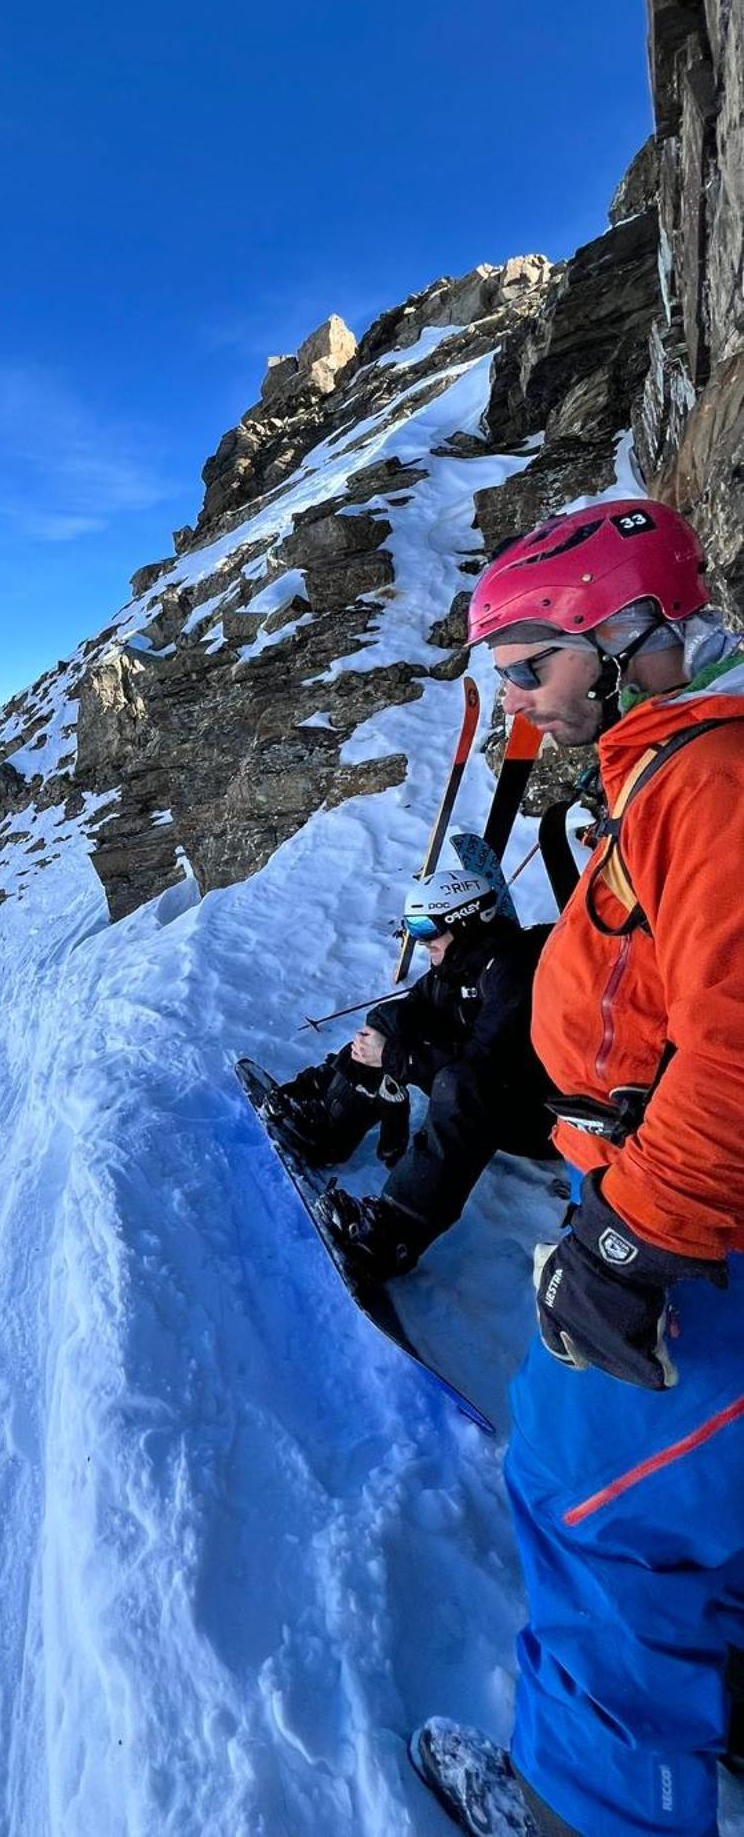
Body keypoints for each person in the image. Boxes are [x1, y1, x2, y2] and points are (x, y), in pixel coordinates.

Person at [429, 496, 744, 1837]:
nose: (517, 699)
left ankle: (590, 1811)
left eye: (528, 663)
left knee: (596, 1509)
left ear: (626, 634)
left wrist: (630, 1239)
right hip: (677, 1217)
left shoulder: (711, 782)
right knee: (691, 1515)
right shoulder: (670, 772)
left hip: (690, 1247)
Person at [268, 865, 555, 1284]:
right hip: (498, 1092)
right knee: (391, 1019)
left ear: (465, 921)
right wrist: (381, 1043)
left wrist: (395, 1059)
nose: (421, 942)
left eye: (427, 928)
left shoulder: (514, 970)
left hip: (542, 1116)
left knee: (459, 1084)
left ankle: (392, 1235)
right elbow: (408, 1012)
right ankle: (330, 1124)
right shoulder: (459, 967)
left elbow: (486, 1065)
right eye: (413, 929)